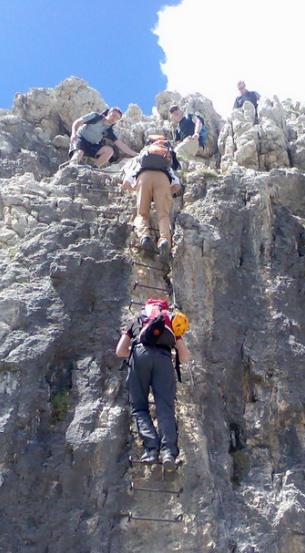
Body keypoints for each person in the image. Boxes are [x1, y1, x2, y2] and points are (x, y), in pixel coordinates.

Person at [116, 299, 191, 468]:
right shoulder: (169, 322)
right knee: (165, 407)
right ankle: (168, 452)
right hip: (164, 359)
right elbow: (185, 356)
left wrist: (134, 353)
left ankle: (151, 450)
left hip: (139, 354)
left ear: (146, 308)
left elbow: (119, 351)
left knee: (139, 407)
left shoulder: (138, 319)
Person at [122, 138, 181, 262]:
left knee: (142, 214)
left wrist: (136, 190)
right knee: (163, 215)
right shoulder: (166, 161)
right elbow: (176, 185)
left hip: (143, 177)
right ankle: (164, 240)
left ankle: (145, 237)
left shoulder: (142, 158)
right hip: (163, 178)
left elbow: (126, 183)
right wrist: (164, 194)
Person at [65, 107, 137, 167]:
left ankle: (93, 167)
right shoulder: (95, 117)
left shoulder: (109, 131)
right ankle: (71, 167)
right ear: (109, 113)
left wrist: (135, 154)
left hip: (92, 145)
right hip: (80, 139)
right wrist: (73, 134)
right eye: (113, 115)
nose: (114, 119)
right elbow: (77, 122)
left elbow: (121, 145)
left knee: (109, 151)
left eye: (117, 118)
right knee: (79, 152)